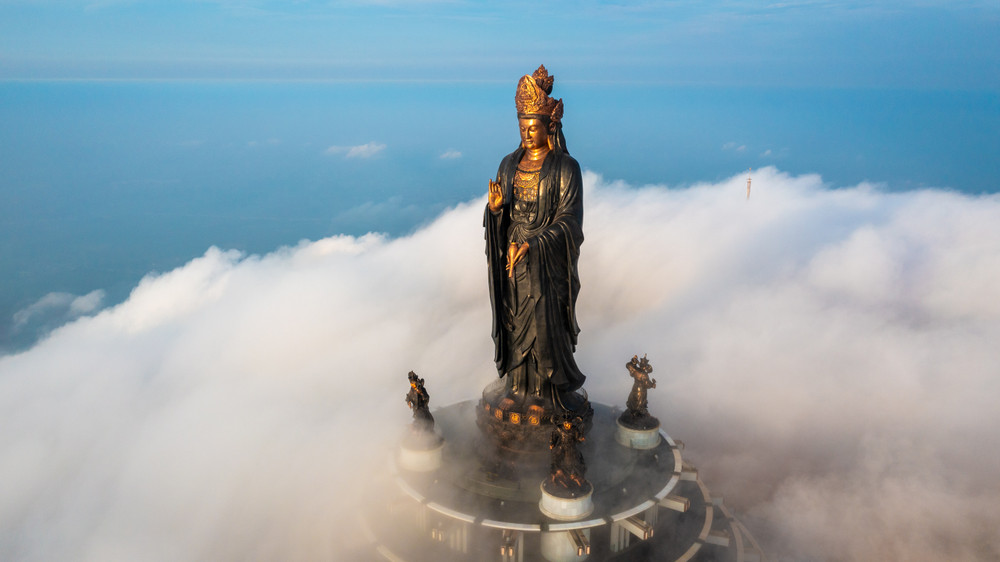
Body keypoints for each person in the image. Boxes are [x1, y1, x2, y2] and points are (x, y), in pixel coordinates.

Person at [484, 65, 586, 409]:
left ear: (549, 126)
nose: (528, 134)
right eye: (522, 127)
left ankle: (545, 391)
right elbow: (502, 215)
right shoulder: (508, 164)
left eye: (534, 127)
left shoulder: (565, 168)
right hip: (513, 257)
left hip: (544, 261)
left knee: (543, 323)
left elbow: (570, 221)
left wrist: (536, 244)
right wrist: (496, 211)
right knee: (514, 322)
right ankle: (517, 386)